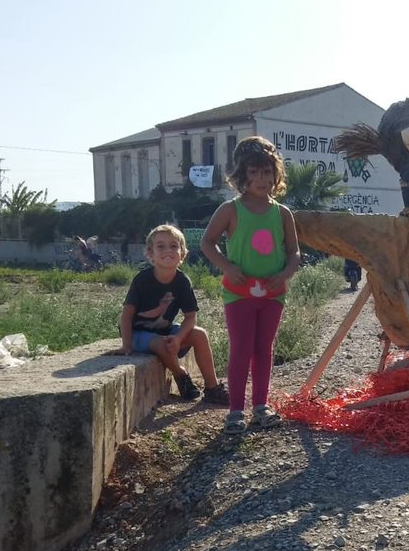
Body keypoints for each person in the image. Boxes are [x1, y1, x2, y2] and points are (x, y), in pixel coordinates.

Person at [200, 136, 300, 435]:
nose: (262, 179)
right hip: (238, 293)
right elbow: (207, 243)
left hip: (272, 294)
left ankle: (260, 407)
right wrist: (228, 267)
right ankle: (234, 412)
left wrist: (284, 273)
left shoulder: (282, 213)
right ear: (242, 176)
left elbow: (295, 253)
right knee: (241, 349)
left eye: (267, 172)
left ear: (276, 174)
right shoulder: (230, 210)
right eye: (254, 173)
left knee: (264, 349)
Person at [110, 224, 228, 405]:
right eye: (161, 246)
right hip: (137, 333)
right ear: (150, 253)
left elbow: (190, 317)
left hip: (163, 329)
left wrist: (179, 338)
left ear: (183, 254)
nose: (168, 250)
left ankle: (212, 388)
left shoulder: (182, 281)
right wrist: (126, 345)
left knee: (200, 334)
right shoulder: (142, 280)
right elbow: (126, 315)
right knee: (162, 343)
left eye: (174, 246)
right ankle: (180, 375)